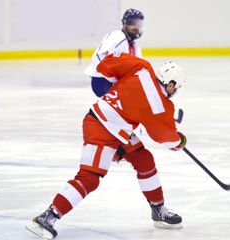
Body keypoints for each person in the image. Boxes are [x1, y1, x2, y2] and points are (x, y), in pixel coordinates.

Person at [26, 53, 187, 240]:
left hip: (117, 129)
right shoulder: (161, 106)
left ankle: (158, 210)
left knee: (144, 159)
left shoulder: (141, 67)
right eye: (176, 89)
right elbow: (164, 138)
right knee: (89, 178)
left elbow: (105, 65)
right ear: (171, 84)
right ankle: (47, 217)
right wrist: (180, 141)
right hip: (100, 128)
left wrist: (124, 91)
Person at [84, 8, 144, 97]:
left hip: (110, 81)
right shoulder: (117, 37)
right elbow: (97, 56)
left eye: (138, 24)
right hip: (102, 80)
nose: (136, 27)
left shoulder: (134, 46)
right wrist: (111, 77)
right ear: (124, 23)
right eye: (132, 23)